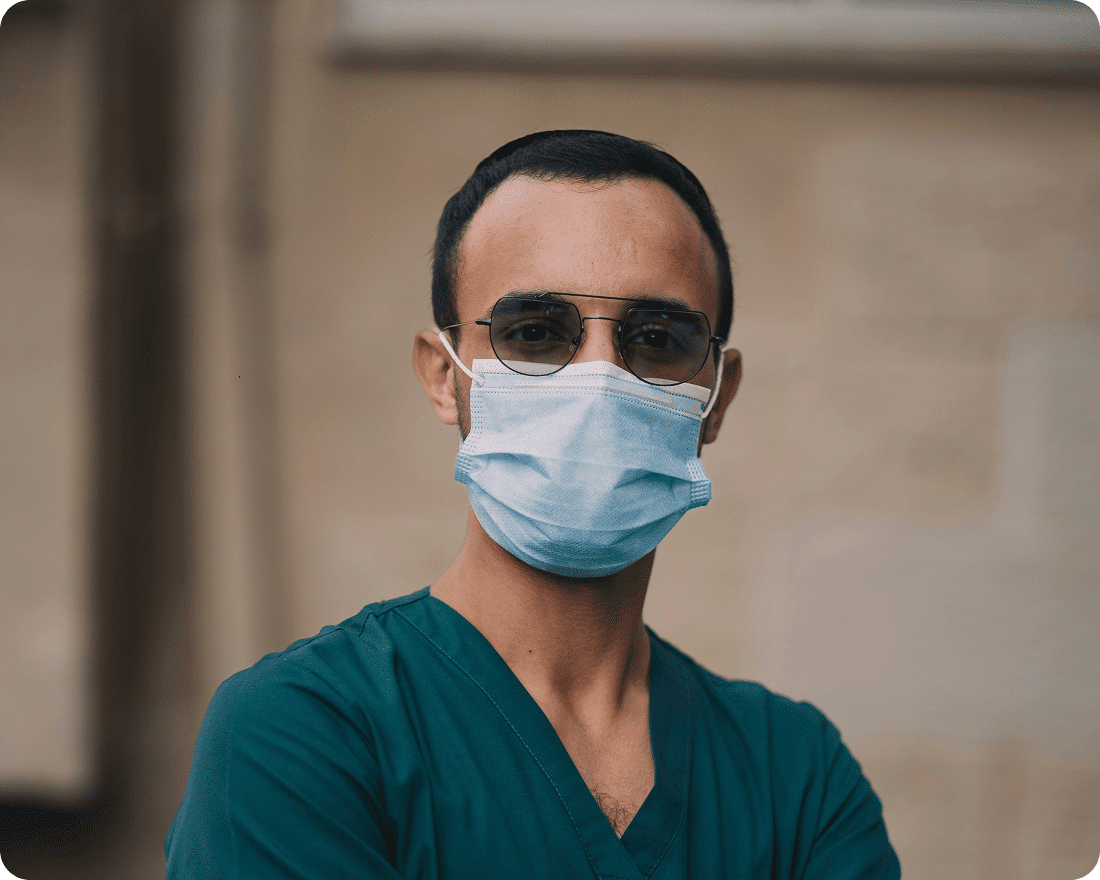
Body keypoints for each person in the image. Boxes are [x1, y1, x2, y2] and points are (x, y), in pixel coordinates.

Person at [164, 130, 901, 879]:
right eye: (536, 334)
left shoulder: (796, 776)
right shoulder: (305, 733)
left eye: (657, 337)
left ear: (717, 396)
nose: (599, 382)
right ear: (441, 374)